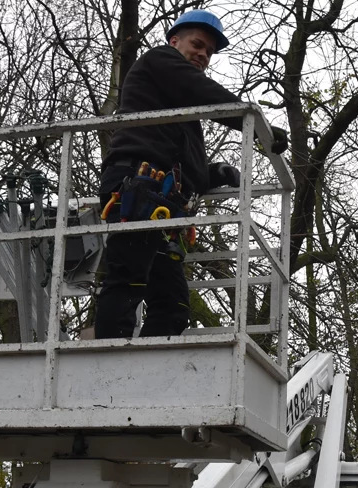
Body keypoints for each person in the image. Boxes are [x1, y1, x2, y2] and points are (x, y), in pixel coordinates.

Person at [94, 9, 288, 339]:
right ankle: (106, 369)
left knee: (172, 306)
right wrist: (254, 125)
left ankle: (143, 375)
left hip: (163, 203)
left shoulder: (176, 111)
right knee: (127, 282)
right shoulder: (160, 60)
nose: (203, 55)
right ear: (174, 40)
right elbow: (200, 89)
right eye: (197, 45)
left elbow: (189, 171)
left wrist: (216, 173)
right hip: (135, 188)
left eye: (209, 52)